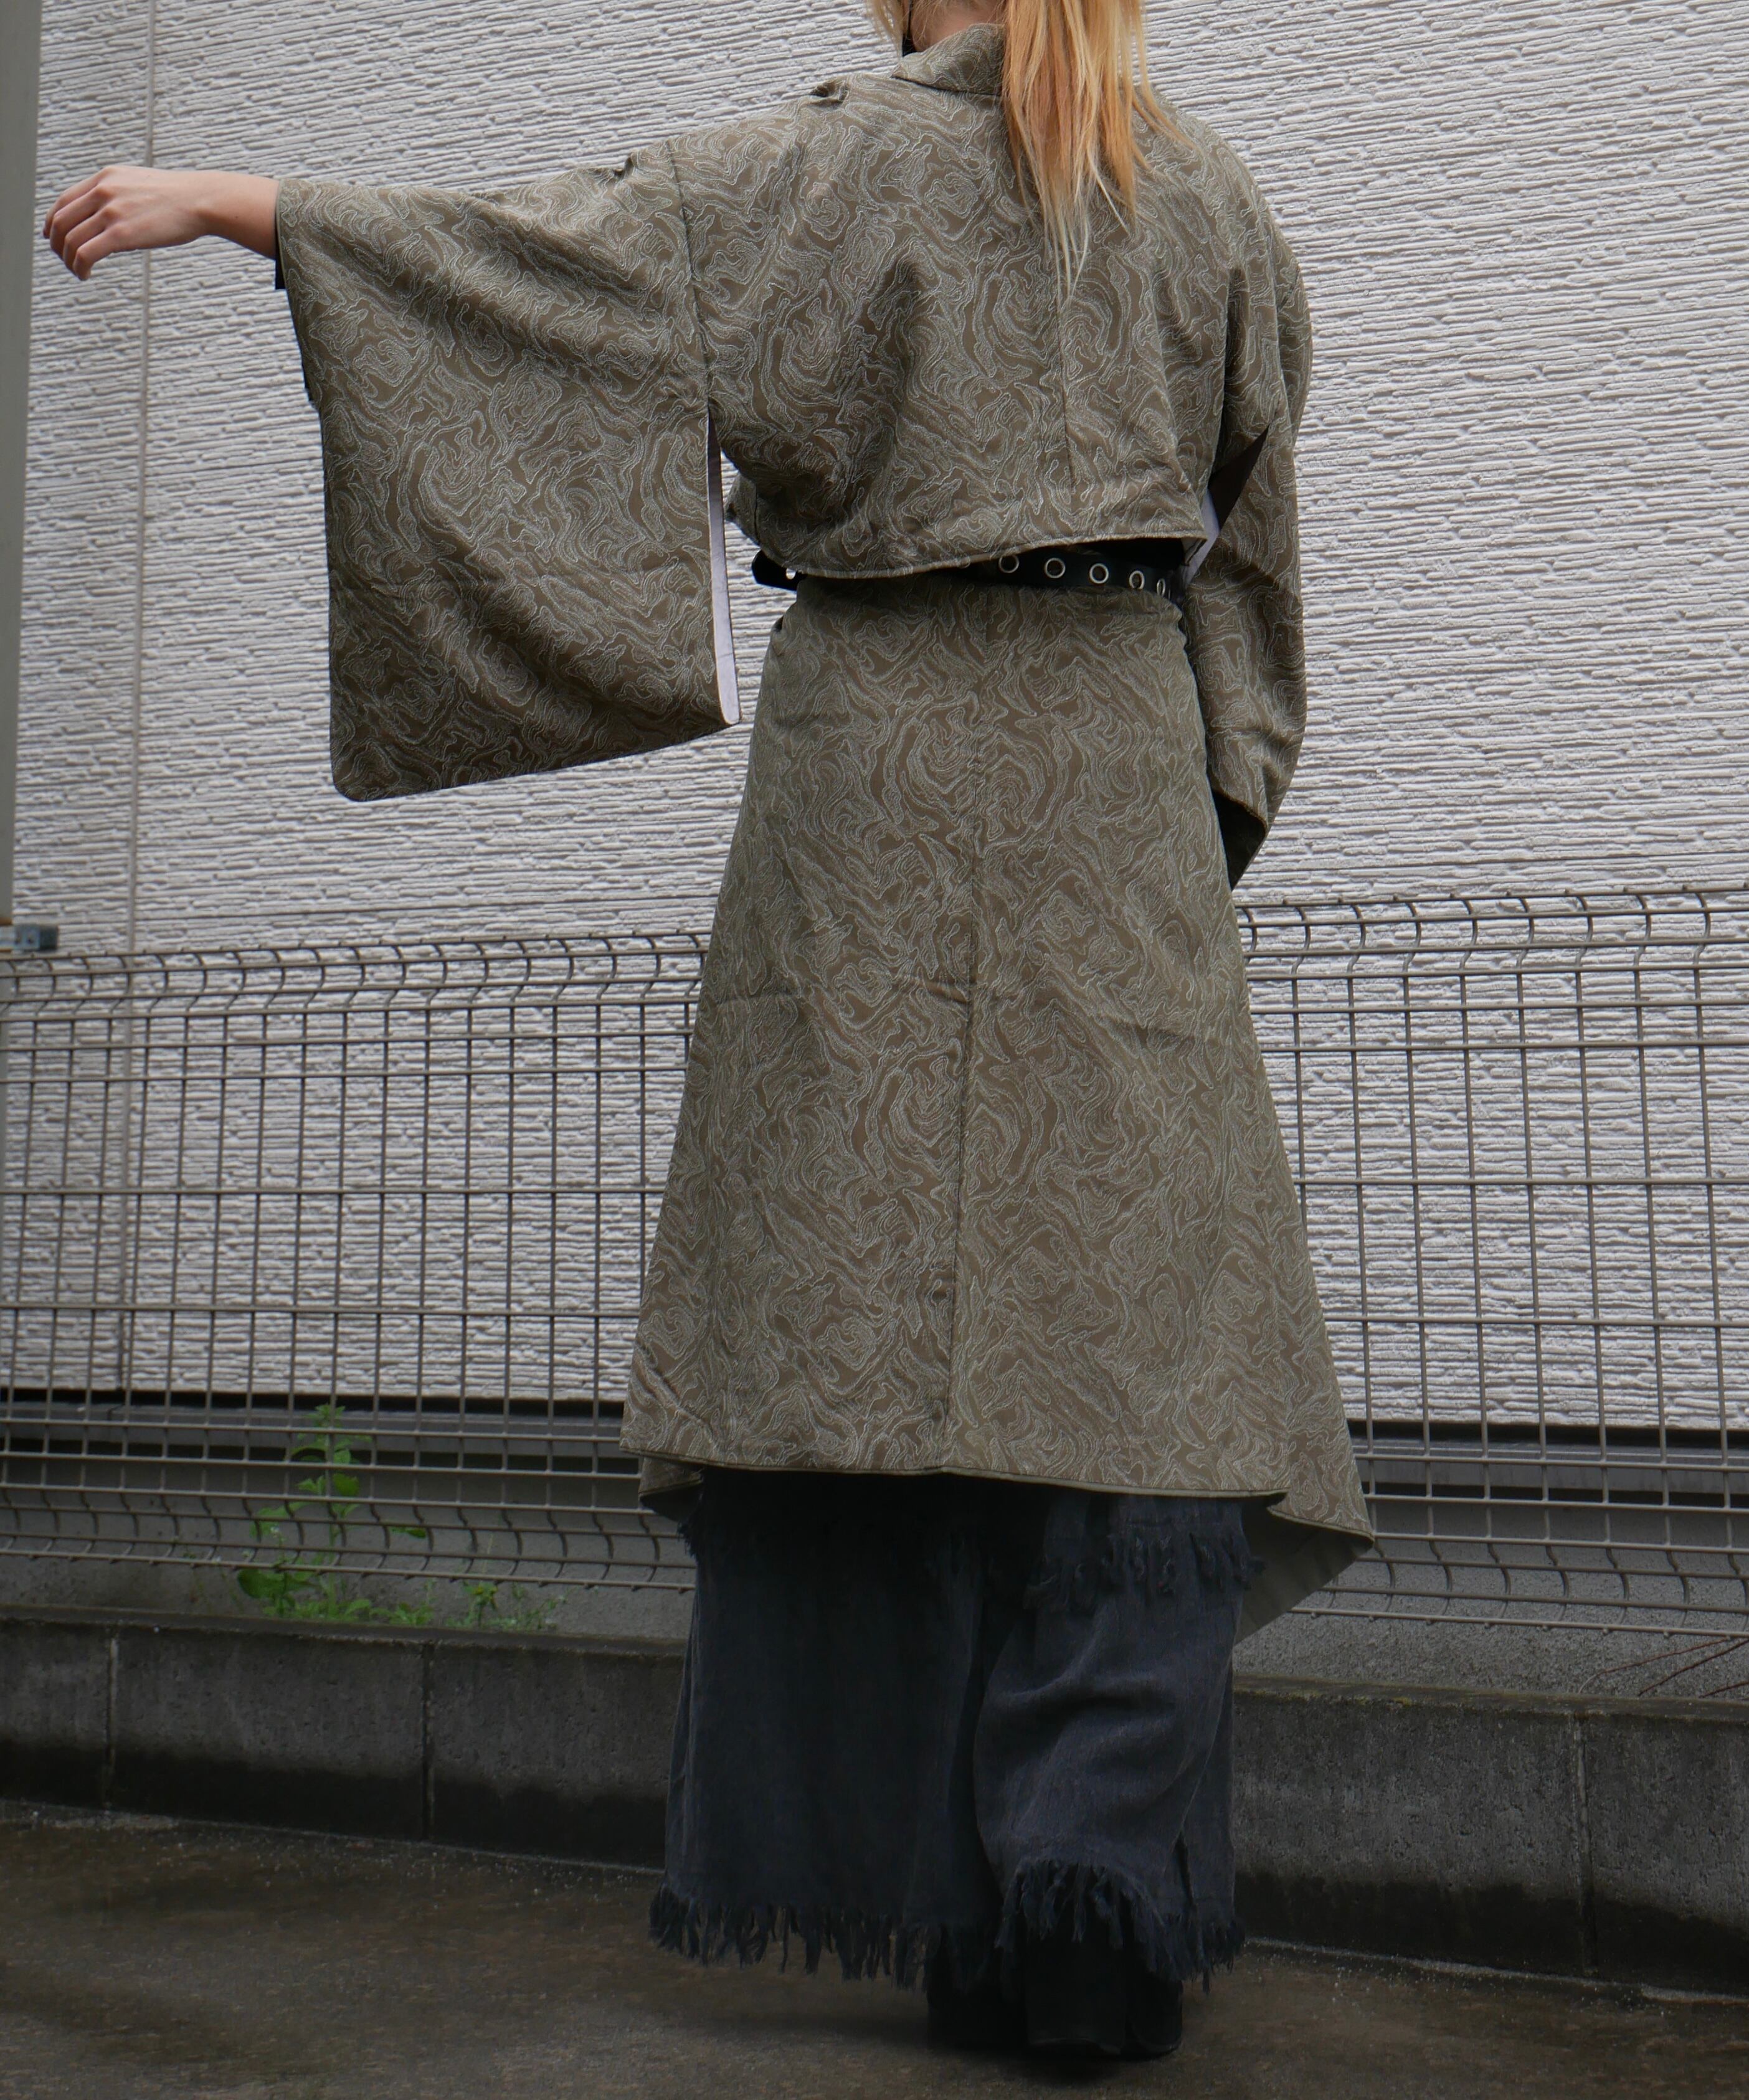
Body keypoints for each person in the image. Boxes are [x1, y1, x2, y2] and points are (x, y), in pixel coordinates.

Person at [45, 0, 1370, 2061]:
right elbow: (1254, 548)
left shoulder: (823, 165)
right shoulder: (1201, 194)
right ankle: (1090, 1906)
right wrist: (1205, 799)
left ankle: (934, 1891)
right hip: (1112, 771)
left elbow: (546, 273)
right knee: (1139, 1351)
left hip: (875, 776)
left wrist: (249, 202)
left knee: (858, 1329)